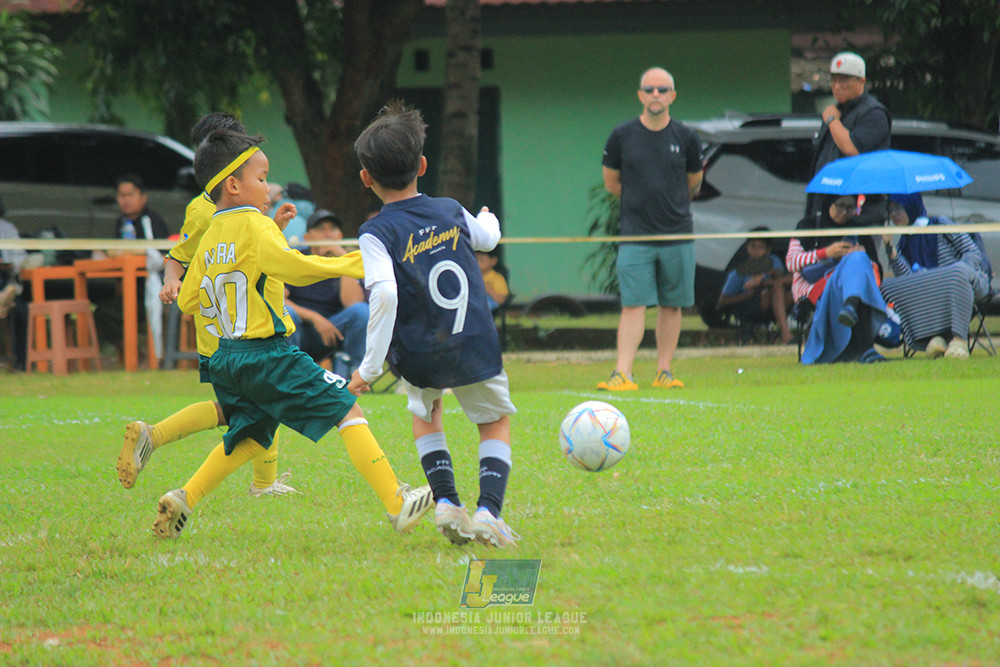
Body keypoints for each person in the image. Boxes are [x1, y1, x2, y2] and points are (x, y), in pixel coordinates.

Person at [153, 128, 432, 539]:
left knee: (249, 435)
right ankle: (396, 503)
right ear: (233, 184)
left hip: (226, 357)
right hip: (267, 353)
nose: (269, 188)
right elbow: (297, 268)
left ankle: (183, 498)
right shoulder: (256, 226)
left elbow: (190, 299)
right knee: (347, 409)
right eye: (262, 178)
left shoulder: (211, 234)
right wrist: (355, 264)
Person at [349, 102, 519, 549]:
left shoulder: (374, 232)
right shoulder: (449, 210)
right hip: (474, 341)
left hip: (420, 349)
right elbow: (488, 238)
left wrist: (369, 368)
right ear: (422, 165)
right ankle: (488, 513)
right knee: (494, 421)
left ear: (366, 178)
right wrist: (488, 218)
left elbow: (383, 294)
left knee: (426, 415)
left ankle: (446, 501)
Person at [118, 113, 296, 499]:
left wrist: (277, 228)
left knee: (245, 408)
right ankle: (254, 485)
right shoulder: (205, 210)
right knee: (259, 406)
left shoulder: (245, 200)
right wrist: (171, 280)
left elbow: (251, 253)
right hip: (232, 329)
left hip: (242, 321)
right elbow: (178, 255)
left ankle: (157, 437)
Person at [597, 66, 703, 391]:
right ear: (640, 95)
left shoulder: (686, 136)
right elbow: (612, 182)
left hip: (677, 233)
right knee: (633, 304)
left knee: (672, 305)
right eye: (649, 89)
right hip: (635, 235)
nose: (655, 95)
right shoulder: (622, 135)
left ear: (672, 95)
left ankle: (664, 372)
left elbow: (693, 183)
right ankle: (622, 373)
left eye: (662, 89)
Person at [880, 193, 992, 359]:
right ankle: (932, 339)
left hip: (967, 283)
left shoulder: (940, 223)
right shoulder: (903, 243)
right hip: (932, 297)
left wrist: (944, 277)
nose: (893, 214)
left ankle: (958, 340)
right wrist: (890, 249)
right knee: (888, 287)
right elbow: (908, 281)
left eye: (898, 208)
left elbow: (973, 254)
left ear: (911, 205)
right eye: (890, 210)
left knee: (957, 272)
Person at [786, 195, 888, 364]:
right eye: (840, 205)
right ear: (828, 204)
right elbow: (791, 262)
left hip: (849, 286)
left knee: (859, 259)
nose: (845, 212)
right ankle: (865, 346)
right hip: (814, 288)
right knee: (857, 267)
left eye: (851, 207)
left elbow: (877, 273)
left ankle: (851, 305)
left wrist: (866, 258)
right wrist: (826, 253)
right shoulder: (809, 225)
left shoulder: (858, 230)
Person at [806, 52, 891, 226]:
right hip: (826, 204)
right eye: (834, 80)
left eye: (844, 81)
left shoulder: (873, 113)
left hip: (858, 212)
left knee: (856, 254)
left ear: (862, 81)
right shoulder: (837, 111)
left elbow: (852, 149)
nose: (837, 86)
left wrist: (832, 120)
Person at [91, 174, 170, 361]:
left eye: (130, 195)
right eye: (121, 195)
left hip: (156, 291)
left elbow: (158, 255)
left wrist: (123, 252)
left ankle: (145, 355)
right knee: (102, 312)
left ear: (143, 196)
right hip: (129, 292)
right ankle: (133, 353)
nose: (125, 200)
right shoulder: (122, 223)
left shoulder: (151, 220)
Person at [285, 209, 370, 375]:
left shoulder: (348, 258)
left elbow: (353, 303)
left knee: (361, 311)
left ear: (340, 236)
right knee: (286, 312)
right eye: (321, 229)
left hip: (334, 330)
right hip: (299, 328)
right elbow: (279, 300)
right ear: (308, 237)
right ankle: (291, 375)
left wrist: (343, 259)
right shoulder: (297, 258)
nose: (328, 234)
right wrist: (315, 319)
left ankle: (350, 375)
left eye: (333, 229)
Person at [717, 227, 794, 344]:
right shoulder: (739, 272)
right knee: (777, 287)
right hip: (750, 305)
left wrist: (771, 277)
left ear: (768, 250)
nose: (756, 251)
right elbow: (722, 301)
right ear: (747, 247)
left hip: (775, 303)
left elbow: (784, 278)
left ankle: (785, 330)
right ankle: (786, 334)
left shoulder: (773, 261)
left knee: (791, 287)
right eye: (753, 246)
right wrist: (747, 295)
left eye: (761, 247)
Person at [0, 194, 28, 370]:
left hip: (6, 280)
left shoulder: (7, 229)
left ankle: (21, 364)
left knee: (21, 311)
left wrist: (10, 265)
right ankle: (3, 299)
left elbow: (21, 256)